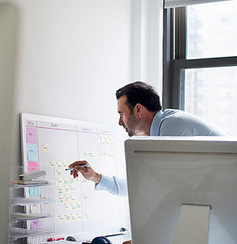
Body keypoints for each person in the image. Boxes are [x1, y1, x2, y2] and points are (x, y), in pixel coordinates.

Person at [69, 81, 225, 197]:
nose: (119, 122)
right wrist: (96, 177)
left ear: (138, 109)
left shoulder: (172, 125)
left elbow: (161, 190)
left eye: (121, 114)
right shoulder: (161, 133)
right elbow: (143, 187)